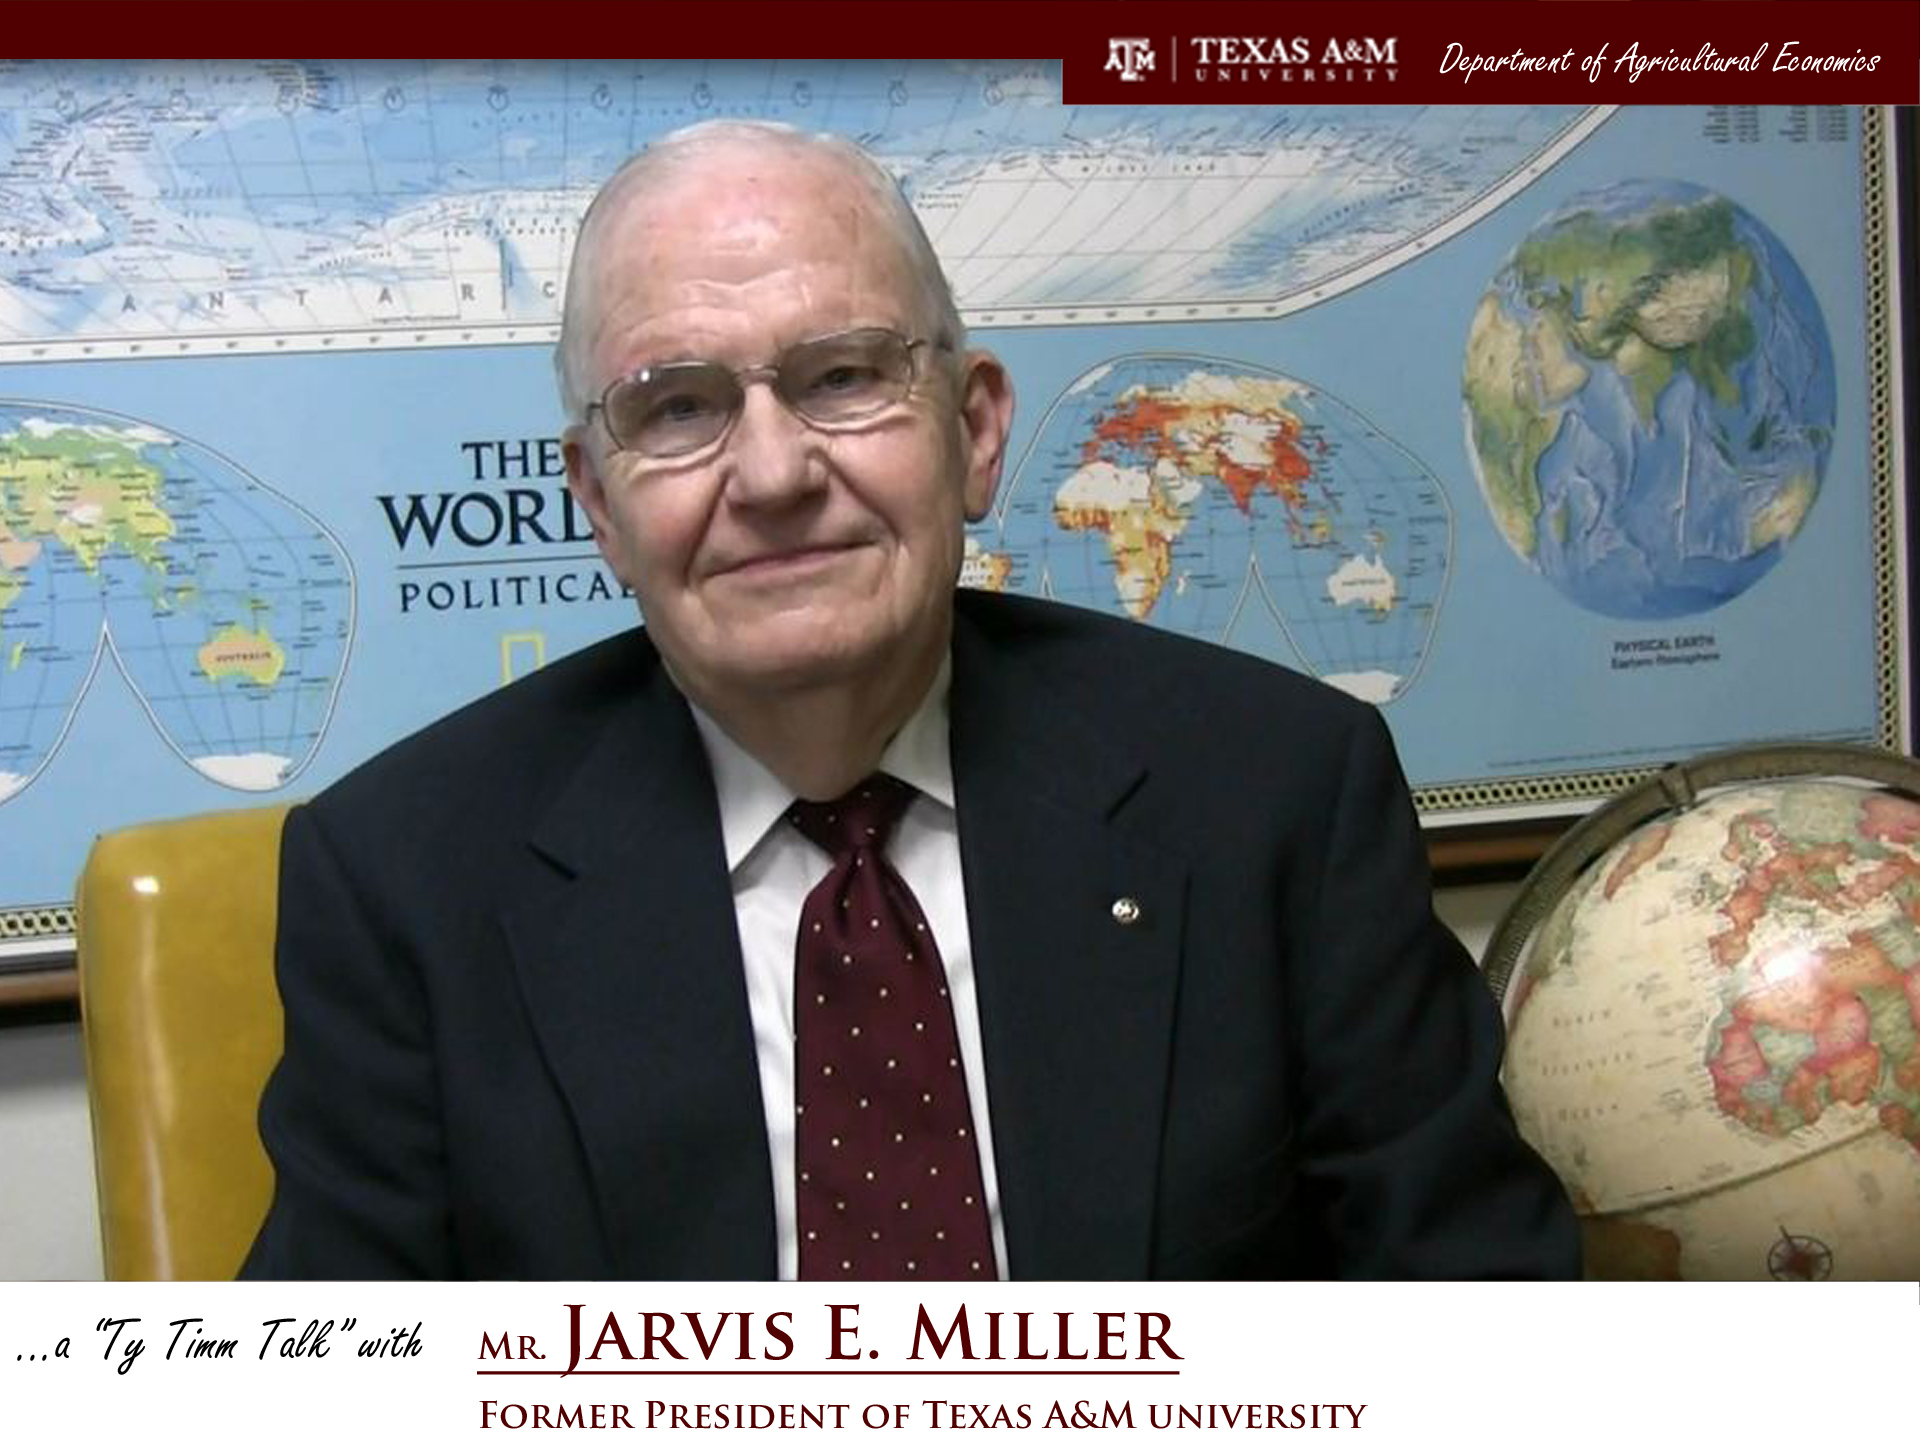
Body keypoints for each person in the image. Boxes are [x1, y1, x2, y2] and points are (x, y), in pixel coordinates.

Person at [242, 120, 1579, 1280]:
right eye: (677, 407)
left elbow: (1472, 1313)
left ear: (978, 431)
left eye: (841, 376)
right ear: (598, 502)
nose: (771, 473)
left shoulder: (1282, 796)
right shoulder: (405, 880)